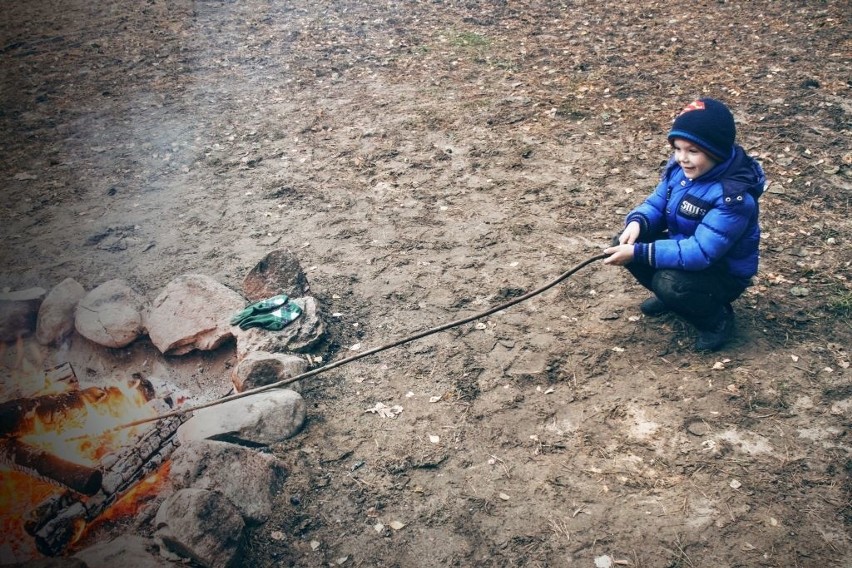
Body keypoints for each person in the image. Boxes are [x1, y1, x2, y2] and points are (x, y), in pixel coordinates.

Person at [603, 98, 766, 351]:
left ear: (716, 152)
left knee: (669, 282)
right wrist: (638, 222)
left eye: (693, 151)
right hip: (687, 251)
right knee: (623, 241)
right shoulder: (682, 172)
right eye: (677, 149)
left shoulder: (733, 198)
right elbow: (656, 204)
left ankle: (716, 319)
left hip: (721, 272)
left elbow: (701, 252)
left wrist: (640, 252)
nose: (682, 158)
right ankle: (675, 298)